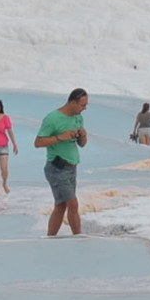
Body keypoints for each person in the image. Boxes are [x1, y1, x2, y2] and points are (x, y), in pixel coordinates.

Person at [35, 88, 88, 238]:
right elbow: (38, 142)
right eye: (82, 105)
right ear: (72, 102)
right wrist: (60, 137)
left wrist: (83, 136)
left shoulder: (78, 118)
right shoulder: (53, 118)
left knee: (60, 205)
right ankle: (79, 237)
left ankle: (50, 237)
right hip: (57, 167)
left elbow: (81, 144)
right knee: (73, 204)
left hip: (72, 167)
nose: (84, 109)